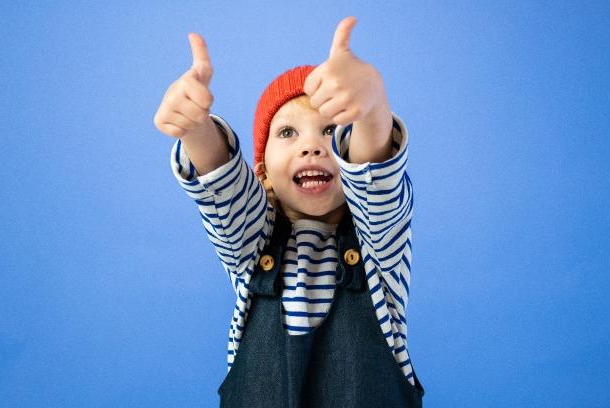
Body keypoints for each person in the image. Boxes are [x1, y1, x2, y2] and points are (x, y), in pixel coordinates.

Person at [154, 16, 424, 407]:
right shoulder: (249, 245)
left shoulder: (381, 252)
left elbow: (376, 182)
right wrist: (194, 129)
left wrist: (371, 108)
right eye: (287, 133)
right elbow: (222, 188)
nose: (312, 146)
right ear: (261, 171)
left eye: (331, 131)